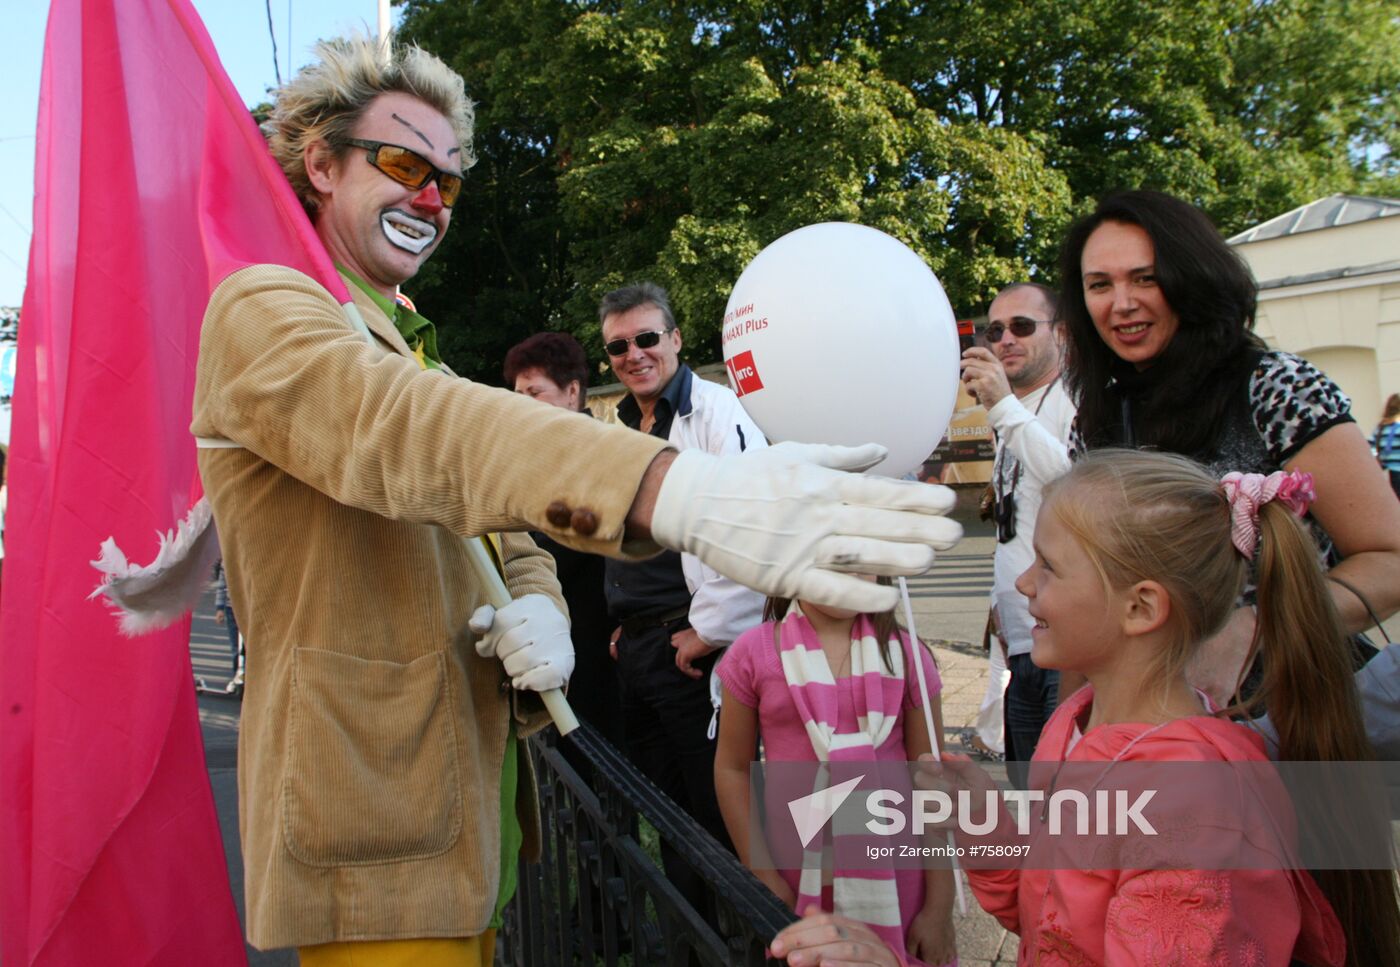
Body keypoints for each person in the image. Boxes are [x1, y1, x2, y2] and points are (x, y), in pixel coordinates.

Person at [191, 35, 963, 962]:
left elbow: (507, 534)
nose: (432, 200)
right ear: (320, 163)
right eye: (403, 163)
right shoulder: (262, 305)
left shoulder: (407, 340)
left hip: (472, 827)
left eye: (449, 178)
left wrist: (541, 607)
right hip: (373, 838)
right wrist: (676, 490)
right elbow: (402, 426)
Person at [931, 449, 1400, 965]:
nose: (1024, 583)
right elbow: (1052, 914)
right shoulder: (1078, 721)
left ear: (1141, 607)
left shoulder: (1188, 802)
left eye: (1049, 566)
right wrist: (984, 823)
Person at [1057, 190, 1400, 704]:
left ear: (1195, 277)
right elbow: (1091, 589)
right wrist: (1068, 737)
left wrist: (1259, 626)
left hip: (1294, 717)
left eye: (1146, 277)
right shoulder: (1097, 419)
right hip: (1154, 723)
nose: (1122, 302)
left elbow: (1390, 560)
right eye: (1099, 284)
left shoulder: (1277, 387)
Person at [598, 281, 766, 905]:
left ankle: (740, 938)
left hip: (692, 653)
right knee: (667, 812)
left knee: (718, 812)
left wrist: (711, 631)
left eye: (646, 338)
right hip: (641, 648)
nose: (634, 354)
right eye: (618, 346)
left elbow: (748, 527)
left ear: (674, 339)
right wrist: (624, 619)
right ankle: (690, 939)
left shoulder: (720, 413)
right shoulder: (619, 423)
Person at [713, 585, 956, 966]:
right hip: (794, 883)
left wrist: (939, 907)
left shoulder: (908, 657)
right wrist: (764, 875)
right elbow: (731, 769)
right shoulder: (753, 654)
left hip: (899, 884)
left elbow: (935, 786)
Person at [960, 283, 1081, 768]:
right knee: (1029, 792)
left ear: (1063, 334)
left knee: (1066, 796)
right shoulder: (1014, 412)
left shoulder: (1074, 396)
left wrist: (1003, 407)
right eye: (995, 330)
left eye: (1022, 326)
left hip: (1068, 645)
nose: (1005, 339)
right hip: (1021, 645)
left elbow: (1077, 483)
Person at [210, 558, 244, 694]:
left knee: (249, 646)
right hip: (232, 607)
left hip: (251, 607)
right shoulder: (227, 559)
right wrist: (219, 608)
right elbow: (222, 585)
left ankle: (252, 678)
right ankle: (238, 676)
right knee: (236, 646)